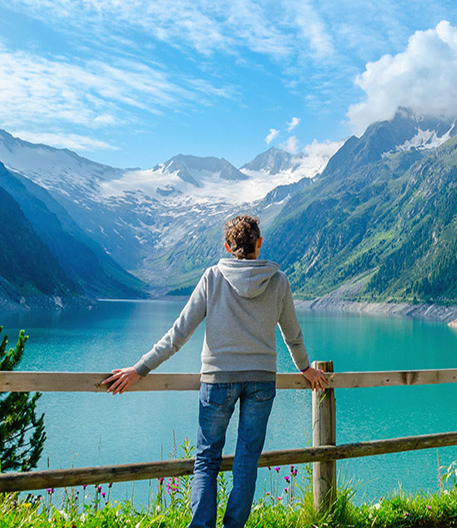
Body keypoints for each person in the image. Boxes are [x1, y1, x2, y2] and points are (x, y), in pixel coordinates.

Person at [102, 214, 328, 528]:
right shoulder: (278, 281)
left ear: (226, 246)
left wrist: (139, 369)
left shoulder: (212, 277)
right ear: (259, 244)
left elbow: (179, 334)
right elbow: (293, 335)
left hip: (218, 380)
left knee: (207, 460)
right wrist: (305, 367)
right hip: (262, 381)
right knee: (247, 462)